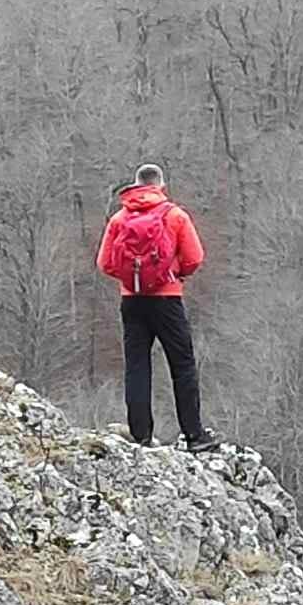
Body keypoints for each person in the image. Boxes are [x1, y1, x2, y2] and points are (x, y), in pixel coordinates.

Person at [96, 164, 220, 453]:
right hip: (167, 300)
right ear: (160, 186)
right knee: (182, 366)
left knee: (137, 366)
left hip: (132, 301)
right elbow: (195, 257)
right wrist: (173, 274)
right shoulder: (174, 216)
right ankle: (193, 435)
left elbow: (105, 263)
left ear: (137, 185)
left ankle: (140, 435)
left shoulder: (119, 218)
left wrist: (131, 280)